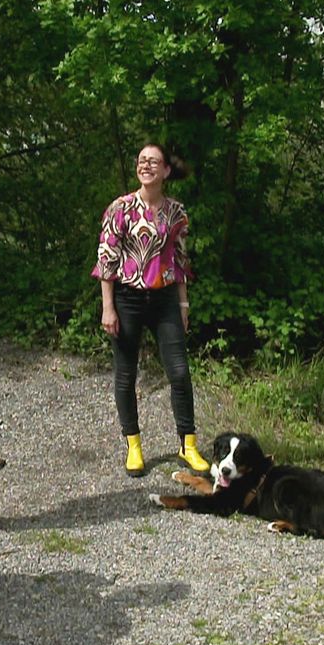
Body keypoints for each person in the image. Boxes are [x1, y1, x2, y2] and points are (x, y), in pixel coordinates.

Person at [92, 143, 210, 477]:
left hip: (165, 301)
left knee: (179, 372)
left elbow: (181, 260)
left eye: (153, 162)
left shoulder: (176, 212)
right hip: (127, 300)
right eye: (142, 161)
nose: (146, 166)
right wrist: (108, 307)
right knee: (126, 374)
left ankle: (188, 444)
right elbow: (106, 259)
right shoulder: (121, 208)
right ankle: (134, 445)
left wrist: (183, 304)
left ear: (165, 171)